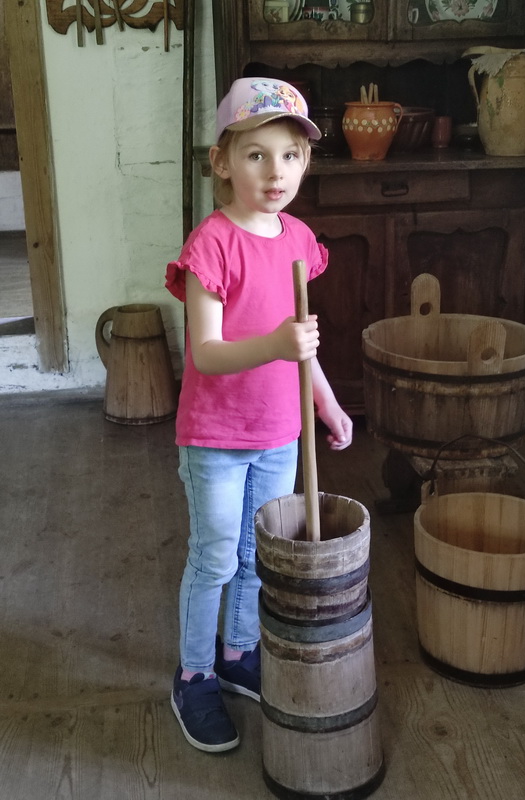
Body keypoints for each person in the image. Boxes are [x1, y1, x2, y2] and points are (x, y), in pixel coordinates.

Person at [164, 77, 353, 753]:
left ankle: (238, 652)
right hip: (216, 437)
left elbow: (301, 345)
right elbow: (207, 354)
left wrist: (326, 402)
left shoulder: (297, 237)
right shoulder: (212, 245)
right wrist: (274, 344)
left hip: (279, 432)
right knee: (215, 555)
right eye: (256, 155)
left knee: (256, 554)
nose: (276, 172)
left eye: (291, 156)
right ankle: (194, 674)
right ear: (221, 162)